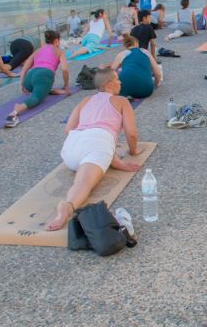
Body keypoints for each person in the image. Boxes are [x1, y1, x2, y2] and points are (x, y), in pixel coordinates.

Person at [48, 68, 143, 231]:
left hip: (71, 147)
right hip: (97, 143)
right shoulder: (121, 101)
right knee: (83, 183)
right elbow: (131, 133)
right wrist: (134, 151)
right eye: (118, 79)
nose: (120, 82)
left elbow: (69, 128)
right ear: (110, 84)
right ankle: (67, 207)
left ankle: (111, 161)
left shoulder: (85, 100)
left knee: (89, 166)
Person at [3, 30, 70, 127]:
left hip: (29, 79)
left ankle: (47, 91)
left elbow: (26, 65)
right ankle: (16, 111)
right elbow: (65, 70)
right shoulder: (59, 52)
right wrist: (66, 85)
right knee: (36, 97)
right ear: (56, 41)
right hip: (44, 75)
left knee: (40, 89)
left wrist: (21, 83)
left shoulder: (38, 50)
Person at [109, 35, 162, 99]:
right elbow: (158, 74)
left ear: (125, 46)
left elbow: (110, 73)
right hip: (145, 90)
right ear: (136, 43)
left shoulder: (122, 54)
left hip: (123, 88)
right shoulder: (145, 52)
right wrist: (156, 84)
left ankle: (126, 95)